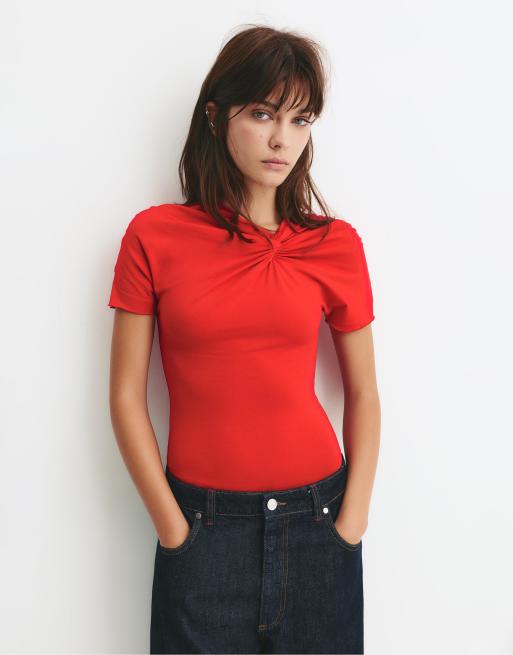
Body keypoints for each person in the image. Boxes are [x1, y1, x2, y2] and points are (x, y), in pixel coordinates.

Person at [108, 24, 380, 655]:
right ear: (215, 115)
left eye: (300, 119)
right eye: (262, 114)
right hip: (202, 532)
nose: (282, 139)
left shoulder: (335, 245)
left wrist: (352, 521)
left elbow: (364, 391)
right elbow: (124, 396)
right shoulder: (154, 237)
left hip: (319, 525)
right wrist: (174, 529)